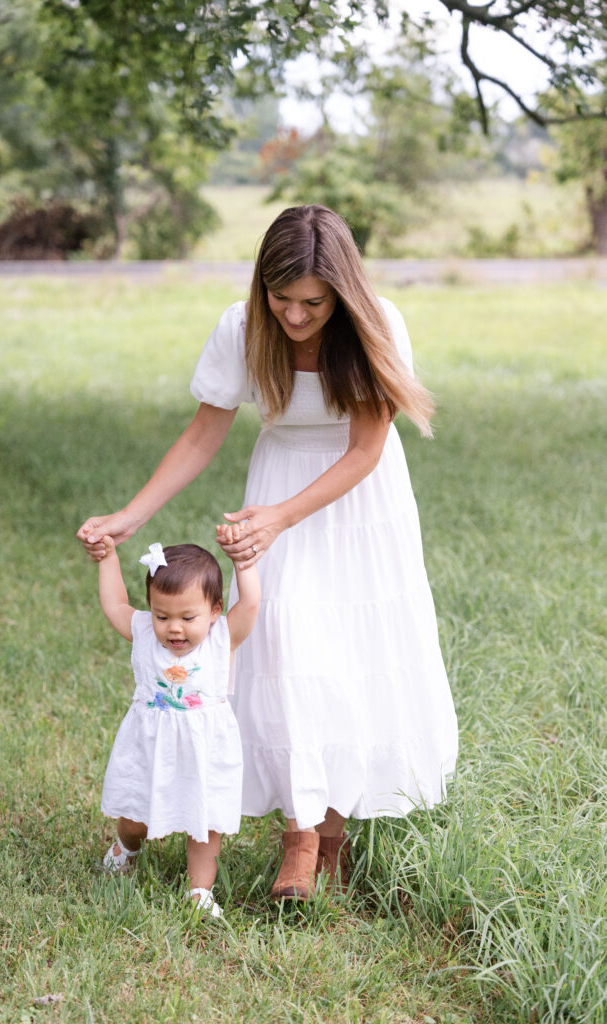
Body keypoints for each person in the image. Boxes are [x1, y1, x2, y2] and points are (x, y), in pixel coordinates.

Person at [78, 204, 458, 901]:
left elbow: (366, 448)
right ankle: (299, 834)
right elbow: (203, 433)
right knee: (284, 648)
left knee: (348, 652)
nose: (294, 315)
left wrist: (280, 519)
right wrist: (132, 516)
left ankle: (331, 835)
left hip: (356, 497)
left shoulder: (376, 322)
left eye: (311, 302)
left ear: (339, 291)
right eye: (279, 299)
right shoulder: (241, 326)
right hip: (277, 478)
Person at [94, 531, 260, 917]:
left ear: (215, 610)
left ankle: (200, 891)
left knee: (204, 825)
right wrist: (107, 557)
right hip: (150, 745)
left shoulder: (222, 639)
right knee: (136, 813)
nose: (174, 628)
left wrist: (244, 562)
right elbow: (115, 603)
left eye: (188, 617)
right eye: (162, 616)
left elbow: (250, 603)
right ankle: (127, 846)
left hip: (204, 750)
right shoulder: (142, 635)